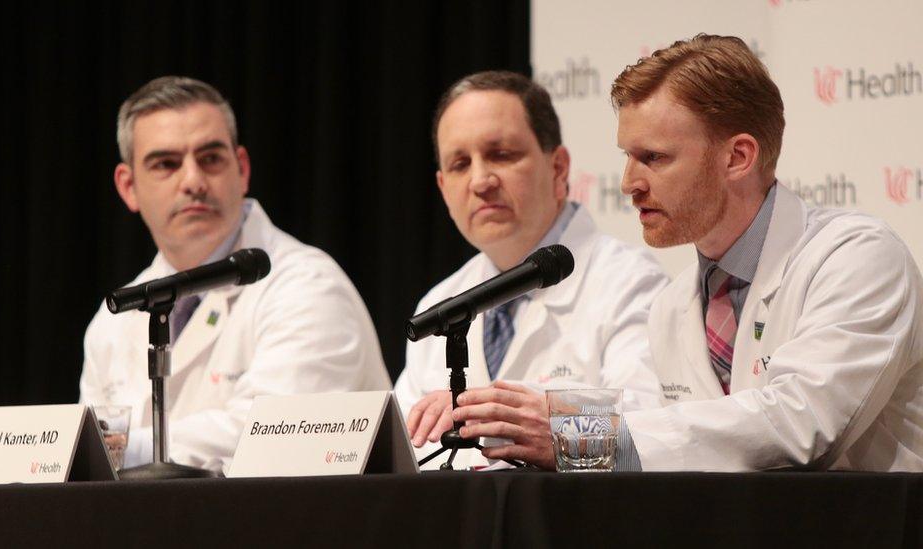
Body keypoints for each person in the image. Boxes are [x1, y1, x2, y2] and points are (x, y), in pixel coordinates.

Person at [456, 34, 923, 472]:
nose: (628, 184)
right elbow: (672, 426)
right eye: (627, 157)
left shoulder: (856, 258)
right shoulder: (674, 305)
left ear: (737, 158)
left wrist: (579, 436)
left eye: (654, 157)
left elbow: (800, 423)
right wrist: (508, 415)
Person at [80, 76, 390, 472]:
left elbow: (278, 435)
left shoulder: (307, 286)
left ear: (241, 169)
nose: (192, 181)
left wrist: (124, 448)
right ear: (129, 187)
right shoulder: (114, 318)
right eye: (166, 164)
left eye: (210, 159)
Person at [394, 70, 669, 469]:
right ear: (442, 187)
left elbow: (650, 429)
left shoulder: (629, 281)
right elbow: (406, 450)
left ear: (558, 169)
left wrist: (500, 415)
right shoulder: (440, 302)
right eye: (459, 164)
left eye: (501, 155)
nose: (480, 181)